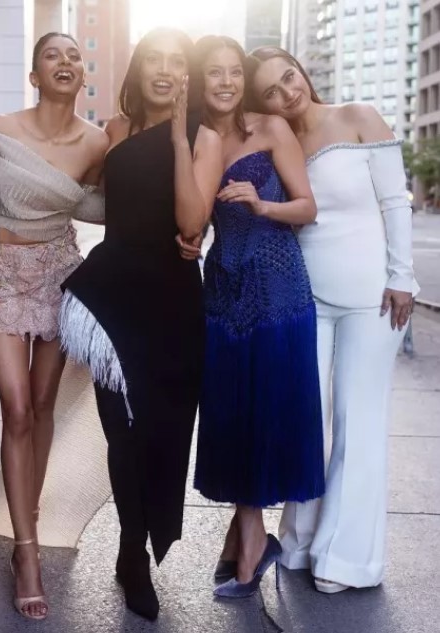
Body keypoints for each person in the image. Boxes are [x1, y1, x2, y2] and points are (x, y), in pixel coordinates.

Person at [59, 28, 224, 620]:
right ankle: (132, 553)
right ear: (138, 68)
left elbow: (192, 223)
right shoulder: (114, 130)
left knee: (163, 431)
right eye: (154, 58)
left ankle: (140, 544)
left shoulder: (205, 136)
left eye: (176, 61)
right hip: (113, 300)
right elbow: (91, 196)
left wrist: (178, 138)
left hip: (174, 304)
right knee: (122, 436)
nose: (164, 69)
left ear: (186, 75)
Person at [245, 47, 418, 593]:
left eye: (288, 77)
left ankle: (346, 558)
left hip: (372, 296)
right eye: (271, 91)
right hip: (304, 297)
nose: (287, 92)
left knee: (357, 420)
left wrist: (403, 276)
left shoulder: (358, 116)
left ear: (302, 71)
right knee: (305, 418)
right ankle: (300, 541)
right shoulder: (278, 142)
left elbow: (396, 202)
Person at [0, 32, 108, 620]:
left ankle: (28, 527)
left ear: (82, 76)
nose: (65, 62)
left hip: (58, 272)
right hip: (1, 272)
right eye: (53, 55)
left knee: (44, 404)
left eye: (74, 56)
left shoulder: (97, 142)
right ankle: (26, 549)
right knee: (17, 407)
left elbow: (115, 202)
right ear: (34, 76)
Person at [178, 35, 325, 599]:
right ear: (200, 80)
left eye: (234, 72)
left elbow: (307, 207)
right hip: (223, 286)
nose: (226, 82)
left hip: (279, 285)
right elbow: (188, 214)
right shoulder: (196, 140)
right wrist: (187, 239)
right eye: (214, 72)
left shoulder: (271, 127)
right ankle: (248, 538)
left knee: (267, 410)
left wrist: (263, 204)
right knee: (231, 414)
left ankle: (250, 547)